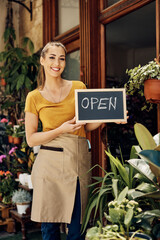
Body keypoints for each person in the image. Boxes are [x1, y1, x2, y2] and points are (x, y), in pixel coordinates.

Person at [25, 41, 127, 240]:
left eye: (62, 58)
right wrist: (60, 130)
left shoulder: (78, 88)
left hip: (76, 162)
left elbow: (86, 126)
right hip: (49, 165)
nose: (57, 63)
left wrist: (109, 117)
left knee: (77, 228)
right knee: (50, 229)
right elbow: (31, 139)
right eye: (52, 57)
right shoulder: (34, 97)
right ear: (42, 60)